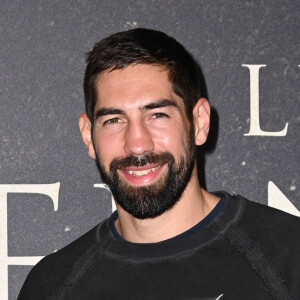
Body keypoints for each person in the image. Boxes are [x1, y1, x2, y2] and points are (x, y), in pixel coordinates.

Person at [18, 28, 299, 300]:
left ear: (199, 122)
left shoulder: (289, 258)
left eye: (158, 115)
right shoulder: (50, 286)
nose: (137, 143)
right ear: (88, 136)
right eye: (114, 120)